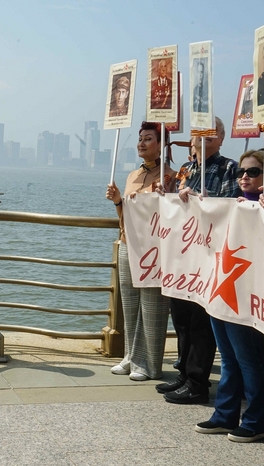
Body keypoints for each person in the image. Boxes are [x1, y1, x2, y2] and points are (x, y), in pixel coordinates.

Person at [194, 150, 264, 443]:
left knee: (248, 360)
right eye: (242, 171)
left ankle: (256, 420)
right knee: (229, 357)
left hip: (246, 292)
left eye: (253, 172)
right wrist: (195, 204)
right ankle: (225, 414)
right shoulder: (233, 205)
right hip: (222, 288)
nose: (244, 176)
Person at [156, 117, 238, 405]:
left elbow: (231, 206)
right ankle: (183, 372)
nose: (203, 138)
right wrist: (166, 198)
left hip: (208, 258)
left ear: (222, 138)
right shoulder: (187, 168)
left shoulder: (229, 167)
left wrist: (203, 198)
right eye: (198, 133)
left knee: (202, 322)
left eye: (211, 133)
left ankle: (198, 381)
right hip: (184, 258)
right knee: (181, 318)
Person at [106, 121, 178, 381]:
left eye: (148, 138)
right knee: (130, 303)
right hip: (128, 243)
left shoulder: (170, 176)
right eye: (140, 138)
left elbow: (173, 213)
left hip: (154, 249)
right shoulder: (131, 176)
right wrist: (117, 201)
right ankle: (130, 356)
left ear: (160, 145)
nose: (141, 143)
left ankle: (149, 364)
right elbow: (125, 215)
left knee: (153, 306)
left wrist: (165, 195)